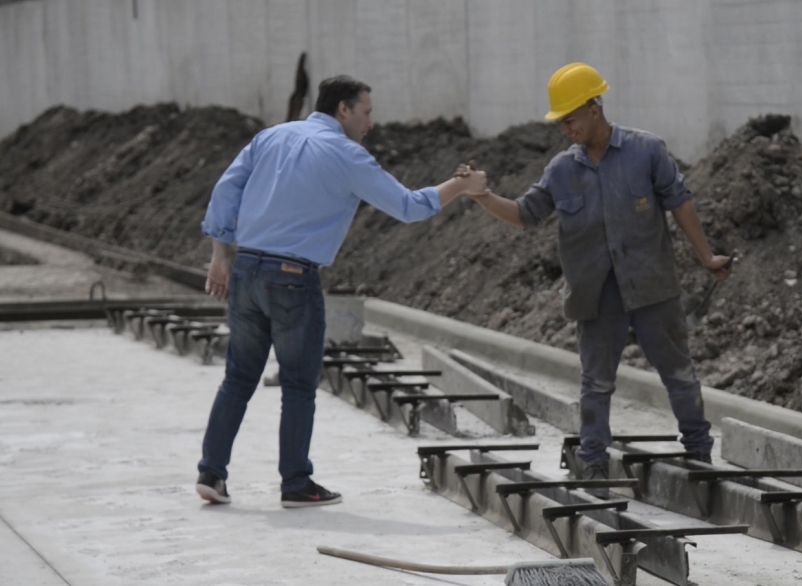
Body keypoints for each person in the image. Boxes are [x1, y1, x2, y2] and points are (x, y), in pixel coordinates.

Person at [195, 75, 487, 508]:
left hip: (247, 271)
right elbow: (408, 206)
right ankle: (296, 483)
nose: (370, 122)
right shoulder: (347, 155)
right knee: (297, 384)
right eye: (366, 112)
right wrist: (462, 186)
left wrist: (220, 254)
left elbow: (226, 190)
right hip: (293, 277)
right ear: (343, 110)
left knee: (238, 377)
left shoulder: (270, 136)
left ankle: (211, 473)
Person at [460, 63, 732, 481]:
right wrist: (481, 196)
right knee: (596, 384)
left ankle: (699, 453)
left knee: (678, 375)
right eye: (560, 122)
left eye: (570, 118)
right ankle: (594, 466)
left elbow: (681, 203)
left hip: (652, 287)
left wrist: (707, 257)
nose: (565, 128)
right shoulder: (562, 170)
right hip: (596, 295)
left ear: (594, 107)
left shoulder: (647, 151)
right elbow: (524, 215)